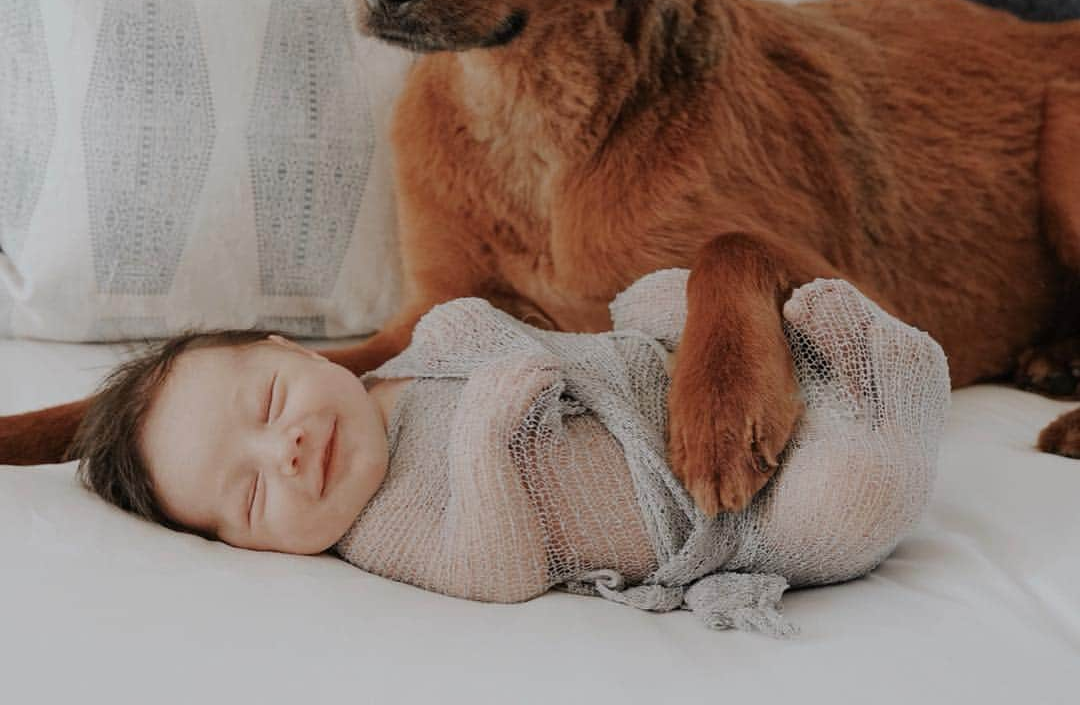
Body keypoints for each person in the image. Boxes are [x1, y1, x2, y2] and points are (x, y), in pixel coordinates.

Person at [71, 271, 950, 637]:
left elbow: (538, 340)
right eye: (254, 497)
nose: (288, 451)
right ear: (248, 550)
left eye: (268, 404)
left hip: (663, 386)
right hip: (715, 520)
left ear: (298, 350)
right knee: (852, 500)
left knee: (654, 293)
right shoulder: (378, 528)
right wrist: (490, 437)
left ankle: (813, 360)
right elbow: (493, 570)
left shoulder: (408, 369)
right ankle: (887, 393)